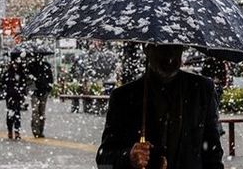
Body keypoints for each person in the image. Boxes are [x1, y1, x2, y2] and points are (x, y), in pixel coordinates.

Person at [96, 44, 224, 169]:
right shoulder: (124, 97)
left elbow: (213, 155)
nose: (170, 56)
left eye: (175, 48)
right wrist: (128, 157)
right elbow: (104, 159)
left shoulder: (201, 90)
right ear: (146, 49)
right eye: (162, 48)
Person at [27, 58, 54, 138]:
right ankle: (37, 130)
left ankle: (39, 130)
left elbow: (50, 79)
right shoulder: (31, 66)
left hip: (41, 91)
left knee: (40, 111)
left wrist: (48, 88)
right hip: (36, 91)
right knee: (37, 111)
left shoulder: (45, 66)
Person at [4, 58, 27, 140]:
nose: (15, 66)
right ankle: (10, 130)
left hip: (18, 96)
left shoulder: (21, 73)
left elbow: (24, 84)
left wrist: (23, 94)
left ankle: (17, 131)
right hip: (10, 96)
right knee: (10, 114)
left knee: (17, 114)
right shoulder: (8, 73)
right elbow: (4, 83)